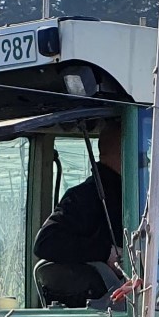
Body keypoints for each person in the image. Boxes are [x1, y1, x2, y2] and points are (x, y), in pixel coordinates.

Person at [33, 123, 124, 305]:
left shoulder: (127, 194)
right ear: (124, 152)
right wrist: (106, 252)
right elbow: (45, 242)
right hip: (116, 311)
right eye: (142, 152)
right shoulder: (86, 197)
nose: (146, 159)